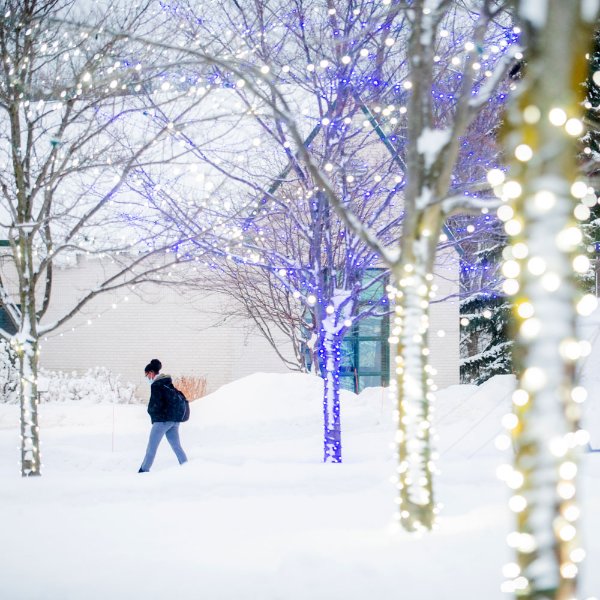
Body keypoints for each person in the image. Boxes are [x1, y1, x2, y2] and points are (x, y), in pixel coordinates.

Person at [138, 359, 188, 472]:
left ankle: (143, 470)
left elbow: (156, 405)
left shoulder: (156, 385)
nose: (147, 378)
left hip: (162, 421)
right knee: (176, 446)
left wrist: (150, 411)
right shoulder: (167, 382)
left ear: (151, 372)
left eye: (146, 375)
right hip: (174, 421)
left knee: (151, 448)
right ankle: (186, 467)